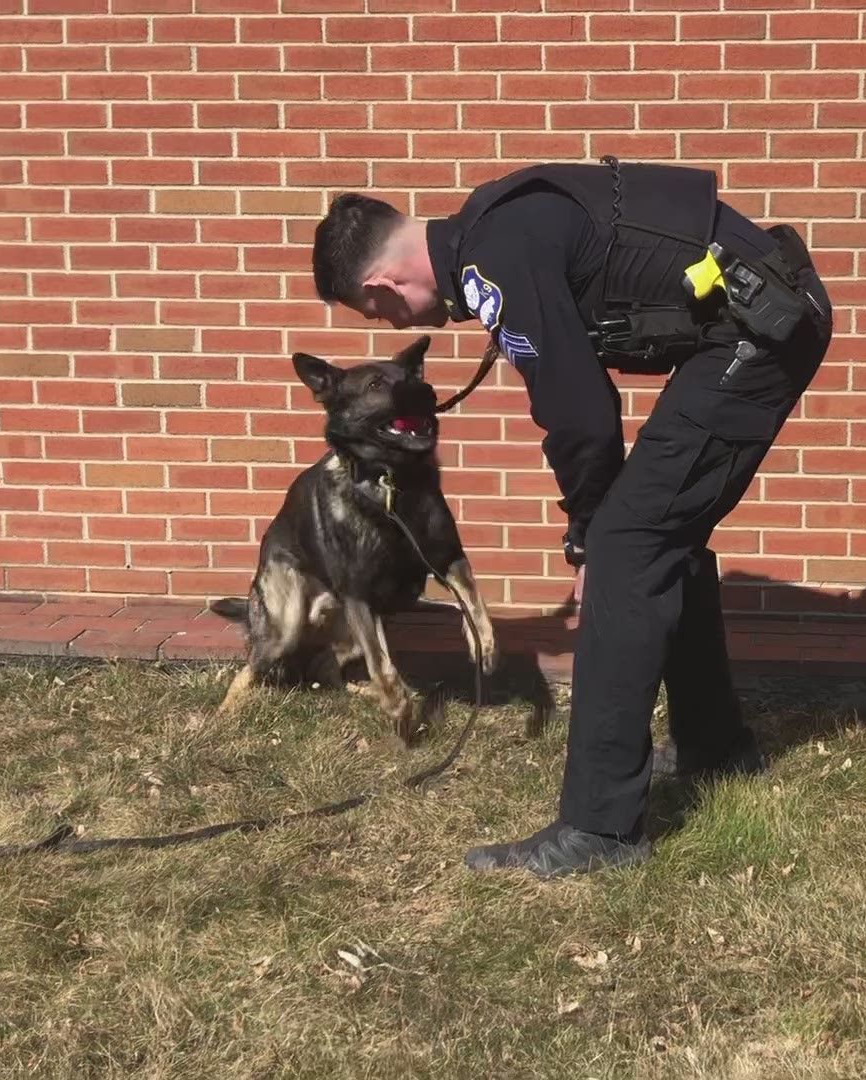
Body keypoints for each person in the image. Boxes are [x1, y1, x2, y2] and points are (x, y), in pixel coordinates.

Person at [310, 158, 834, 878]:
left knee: (628, 543)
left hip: (764, 327)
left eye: (379, 314)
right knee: (655, 534)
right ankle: (716, 750)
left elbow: (579, 412)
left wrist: (591, 539)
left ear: (383, 285)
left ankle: (600, 831)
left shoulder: (493, 260)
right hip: (762, 318)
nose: (394, 326)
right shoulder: (490, 233)